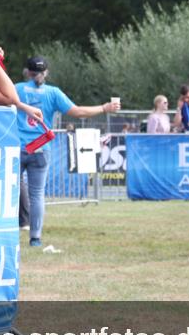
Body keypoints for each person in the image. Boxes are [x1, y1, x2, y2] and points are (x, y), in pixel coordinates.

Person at [17, 56, 121, 247]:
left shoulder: (17, 89)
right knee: (37, 194)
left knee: (10, 191)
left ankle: (4, 234)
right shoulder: (53, 93)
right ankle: (35, 239)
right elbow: (79, 112)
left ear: (27, 72)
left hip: (17, 146)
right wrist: (104, 108)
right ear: (46, 73)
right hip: (40, 148)